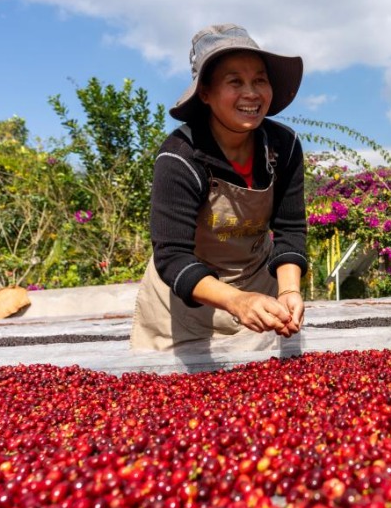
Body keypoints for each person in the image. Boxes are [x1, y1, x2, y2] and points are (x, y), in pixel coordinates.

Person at [131, 24, 308, 351]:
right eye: (234, 82)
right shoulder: (181, 155)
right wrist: (237, 301)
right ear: (205, 93)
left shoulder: (283, 146)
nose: (251, 93)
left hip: (259, 294)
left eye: (259, 80)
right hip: (186, 305)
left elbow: (290, 229)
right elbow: (172, 256)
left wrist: (288, 292)